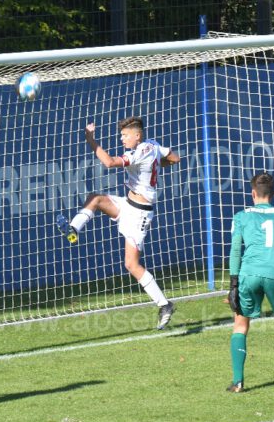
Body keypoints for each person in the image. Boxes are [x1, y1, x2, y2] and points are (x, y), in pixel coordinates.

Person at [57, 117, 181, 330]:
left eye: (125, 135)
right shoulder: (153, 145)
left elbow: (109, 162)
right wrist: (154, 164)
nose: (122, 139)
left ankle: (165, 304)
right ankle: (73, 229)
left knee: (131, 265)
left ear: (137, 135)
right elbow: (175, 158)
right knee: (95, 198)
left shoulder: (140, 151)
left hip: (139, 215)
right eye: (121, 135)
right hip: (128, 204)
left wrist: (90, 139)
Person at [225, 172, 274, 393]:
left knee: (240, 324)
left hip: (248, 275)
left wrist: (233, 285)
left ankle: (238, 381)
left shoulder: (241, 216)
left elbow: (235, 251)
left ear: (253, 193)